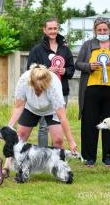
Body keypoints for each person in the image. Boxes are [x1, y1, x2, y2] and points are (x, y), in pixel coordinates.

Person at [2, 64, 77, 177]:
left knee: (58, 140)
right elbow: (18, 107)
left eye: (42, 89)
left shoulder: (54, 85)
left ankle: (61, 171)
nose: (39, 92)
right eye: (36, 88)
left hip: (51, 109)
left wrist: (71, 141)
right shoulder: (23, 81)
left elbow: (62, 117)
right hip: (30, 107)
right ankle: (6, 167)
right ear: (31, 83)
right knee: (20, 135)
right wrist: (9, 128)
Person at [75, 17, 110, 167]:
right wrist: (88, 66)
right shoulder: (88, 45)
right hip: (91, 89)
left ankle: (109, 157)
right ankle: (89, 157)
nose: (102, 32)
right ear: (95, 31)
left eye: (105, 29)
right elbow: (78, 63)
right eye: (99, 30)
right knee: (89, 123)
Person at [27, 18, 75, 147]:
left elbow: (72, 69)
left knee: (59, 123)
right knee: (43, 126)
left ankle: (56, 156)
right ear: (44, 30)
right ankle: (43, 155)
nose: (53, 31)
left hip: (62, 92)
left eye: (55, 28)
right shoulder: (36, 50)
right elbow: (30, 70)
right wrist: (47, 71)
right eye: (50, 29)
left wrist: (65, 70)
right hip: (43, 92)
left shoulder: (65, 49)